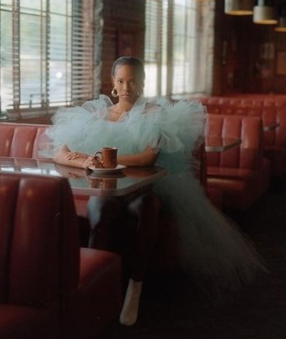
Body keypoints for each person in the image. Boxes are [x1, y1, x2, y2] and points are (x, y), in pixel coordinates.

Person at [46, 56, 266, 325]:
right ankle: (93, 288)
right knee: (101, 209)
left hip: (147, 187)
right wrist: (86, 160)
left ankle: (135, 286)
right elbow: (60, 153)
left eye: (134, 81)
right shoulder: (98, 114)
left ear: (143, 83)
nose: (127, 87)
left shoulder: (155, 114)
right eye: (121, 81)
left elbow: (149, 157)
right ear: (113, 84)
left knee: (148, 207)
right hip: (110, 190)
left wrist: (110, 162)